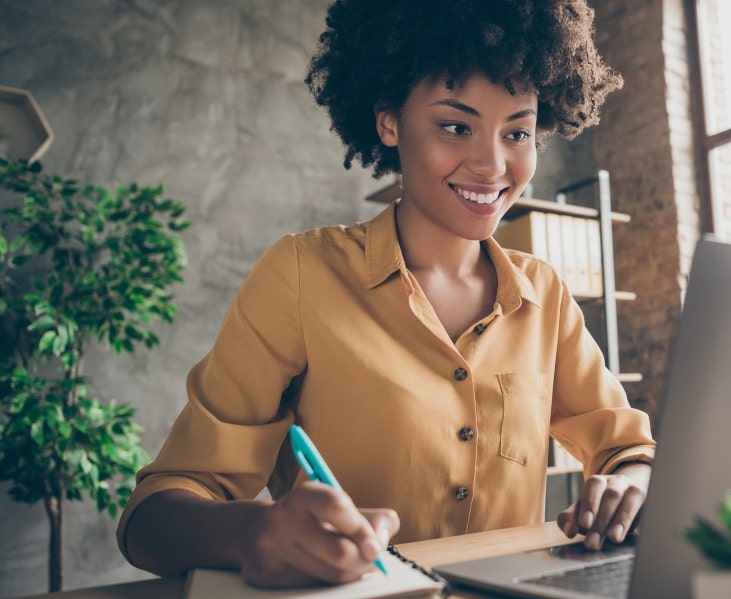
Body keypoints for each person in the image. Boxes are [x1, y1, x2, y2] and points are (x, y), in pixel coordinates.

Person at [117, 0, 655, 588]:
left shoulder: (544, 294)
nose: (492, 165)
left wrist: (629, 484)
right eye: (456, 126)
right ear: (389, 122)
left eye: (517, 132)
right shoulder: (301, 276)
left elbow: (629, 449)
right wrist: (253, 533)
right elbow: (152, 520)